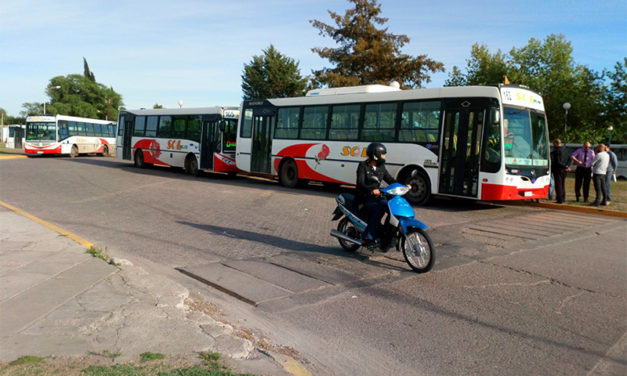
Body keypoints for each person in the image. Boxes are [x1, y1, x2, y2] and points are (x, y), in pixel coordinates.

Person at [356, 142, 403, 248]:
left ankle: (387, 234)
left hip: (377, 197)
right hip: (364, 198)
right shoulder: (363, 166)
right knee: (380, 208)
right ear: (376, 154)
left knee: (391, 207)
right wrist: (372, 190)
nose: (384, 157)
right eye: (383, 154)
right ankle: (368, 237)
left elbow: (390, 179)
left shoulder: (381, 167)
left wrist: (402, 186)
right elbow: (360, 183)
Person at [550, 138, 569, 204]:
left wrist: (564, 166)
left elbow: (557, 162)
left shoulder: (556, 151)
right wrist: (567, 166)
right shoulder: (565, 150)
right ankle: (563, 198)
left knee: (558, 185)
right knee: (562, 184)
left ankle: (559, 199)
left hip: (558, 169)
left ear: (556, 143)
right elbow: (569, 158)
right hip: (564, 170)